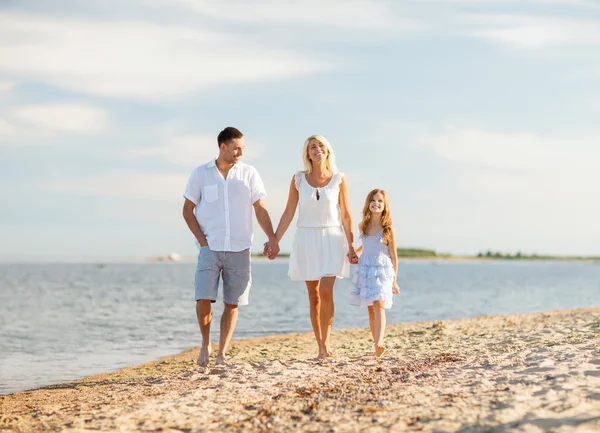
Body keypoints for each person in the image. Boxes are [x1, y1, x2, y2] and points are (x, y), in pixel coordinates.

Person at [182, 127, 280, 367]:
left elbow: (259, 208)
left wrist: (273, 238)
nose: (240, 153)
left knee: (232, 302)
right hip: (210, 247)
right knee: (203, 298)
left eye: (242, 149)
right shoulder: (201, 174)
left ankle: (221, 353)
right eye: (236, 148)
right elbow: (187, 210)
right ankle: (205, 344)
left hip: (240, 247)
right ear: (222, 147)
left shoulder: (249, 173)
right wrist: (203, 242)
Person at [270, 135, 357, 359]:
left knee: (327, 291)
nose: (317, 149)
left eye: (321, 146)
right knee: (314, 295)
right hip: (307, 237)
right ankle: (320, 345)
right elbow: (289, 212)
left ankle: (326, 343)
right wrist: (275, 239)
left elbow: (346, 214)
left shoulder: (339, 179)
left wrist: (351, 244)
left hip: (332, 237)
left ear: (328, 151)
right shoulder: (298, 179)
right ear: (307, 153)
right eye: (312, 147)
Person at [350, 188, 400, 358]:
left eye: (380, 201)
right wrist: (355, 253)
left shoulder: (388, 229)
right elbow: (365, 246)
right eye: (373, 200)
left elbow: (393, 256)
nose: (376, 203)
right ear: (368, 203)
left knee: (379, 304)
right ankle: (376, 344)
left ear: (385, 206)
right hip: (366, 269)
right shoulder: (362, 226)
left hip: (382, 270)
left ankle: (380, 342)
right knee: (371, 308)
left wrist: (394, 281)